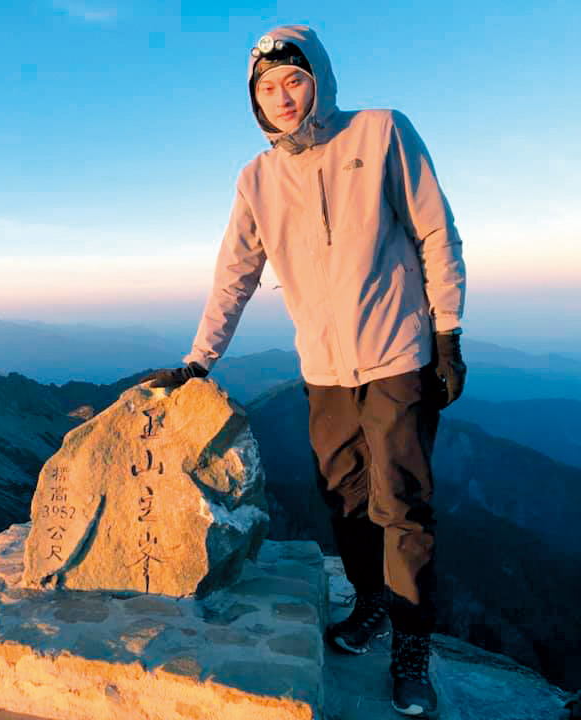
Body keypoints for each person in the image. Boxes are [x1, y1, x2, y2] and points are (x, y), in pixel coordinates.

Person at [143, 24, 466, 718]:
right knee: (345, 500)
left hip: (397, 356)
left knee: (401, 505)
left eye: (293, 79)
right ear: (255, 103)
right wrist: (199, 360)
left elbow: (436, 231)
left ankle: (412, 648)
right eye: (267, 88)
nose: (283, 96)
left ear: (317, 77)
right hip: (323, 369)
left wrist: (448, 334)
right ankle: (372, 606)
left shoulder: (381, 133)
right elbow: (234, 273)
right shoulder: (257, 179)